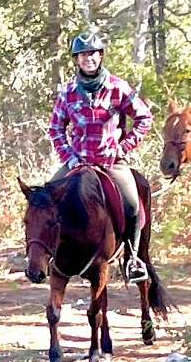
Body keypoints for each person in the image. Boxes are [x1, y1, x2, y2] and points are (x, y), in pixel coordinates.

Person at [48, 32, 153, 284]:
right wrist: (69, 157)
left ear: (101, 56)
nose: (89, 59)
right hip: (78, 163)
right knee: (45, 198)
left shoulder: (118, 87)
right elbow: (55, 129)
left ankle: (134, 259)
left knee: (132, 205)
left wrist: (123, 148)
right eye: (83, 55)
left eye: (93, 54)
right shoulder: (68, 92)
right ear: (76, 60)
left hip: (110, 163)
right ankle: (44, 255)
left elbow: (144, 118)